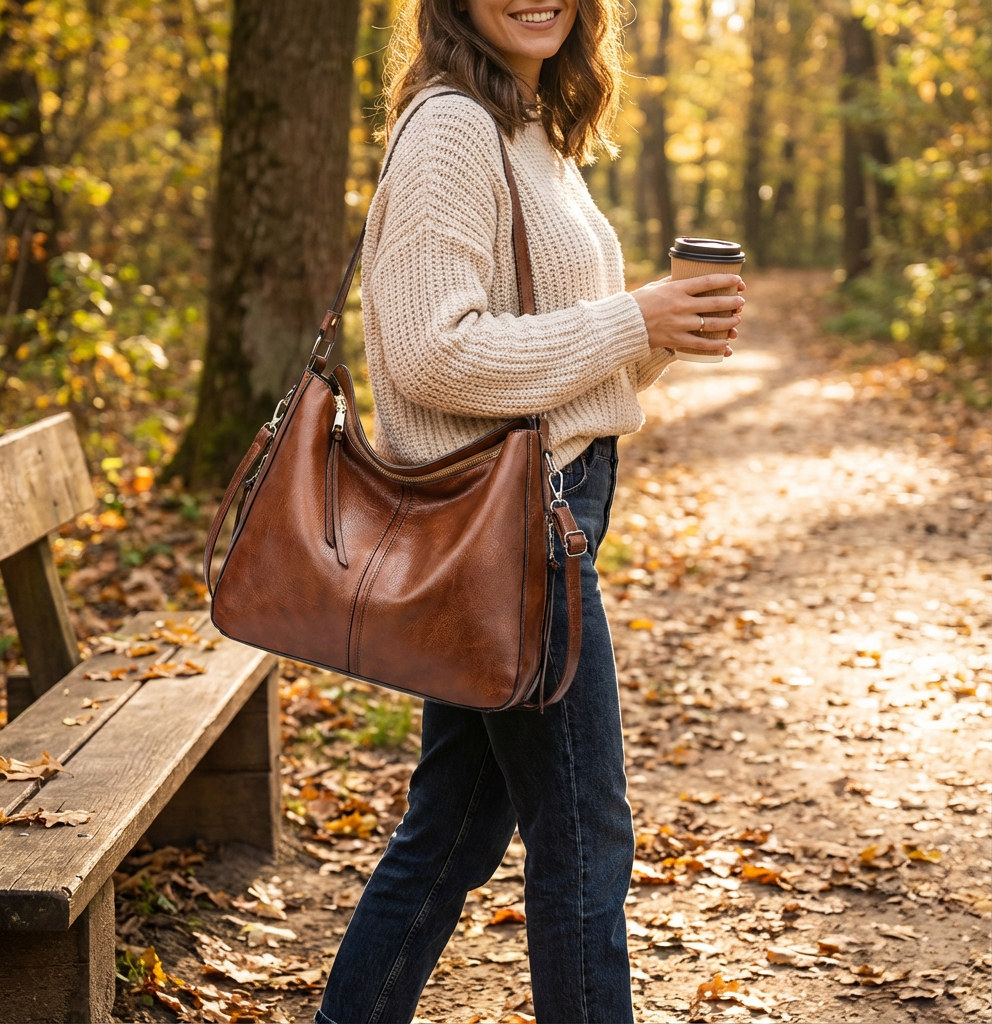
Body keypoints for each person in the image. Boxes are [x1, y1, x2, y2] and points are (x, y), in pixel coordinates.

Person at [315, 2, 745, 1021]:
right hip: (506, 531)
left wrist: (656, 332)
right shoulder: (452, 129)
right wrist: (630, 316)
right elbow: (429, 353)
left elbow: (551, 355)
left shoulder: (529, 124)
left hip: (539, 511)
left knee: (456, 830)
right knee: (584, 838)